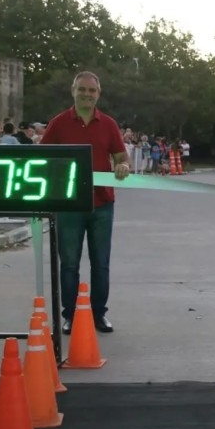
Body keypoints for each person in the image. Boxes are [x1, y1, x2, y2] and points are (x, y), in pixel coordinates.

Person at [40, 71, 130, 334]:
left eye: (92, 90)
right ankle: (70, 315)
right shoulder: (58, 124)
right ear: (73, 91)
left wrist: (123, 166)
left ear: (98, 94)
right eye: (82, 89)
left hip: (102, 204)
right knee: (69, 263)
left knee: (100, 262)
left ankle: (99, 314)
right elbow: (42, 159)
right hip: (69, 206)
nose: (87, 94)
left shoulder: (109, 124)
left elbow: (122, 157)